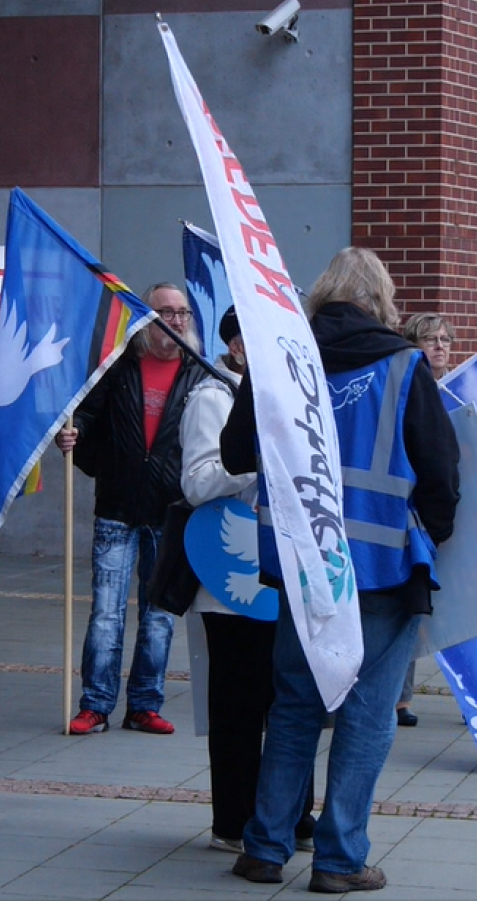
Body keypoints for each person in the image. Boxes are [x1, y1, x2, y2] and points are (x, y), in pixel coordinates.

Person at [221, 247, 459, 893]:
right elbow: (441, 474)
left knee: (296, 703)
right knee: (368, 712)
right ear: (380, 299)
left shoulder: (278, 355)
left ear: (323, 294)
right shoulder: (407, 366)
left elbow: (236, 450)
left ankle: (265, 847)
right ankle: (339, 857)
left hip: (304, 568)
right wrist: (429, 536)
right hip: (383, 566)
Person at [178, 306, 315, 854]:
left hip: (281, 570)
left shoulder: (288, 398)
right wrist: (262, 465)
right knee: (237, 705)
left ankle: (293, 816)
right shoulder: (213, 398)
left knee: (289, 698)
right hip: (231, 577)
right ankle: (233, 822)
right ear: (238, 348)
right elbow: (196, 482)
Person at [56, 283, 209, 735]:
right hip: (117, 506)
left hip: (170, 512)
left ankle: (144, 703)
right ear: (147, 319)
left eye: (183, 313)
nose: (176, 321)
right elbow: (85, 416)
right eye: (166, 312)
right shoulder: (118, 367)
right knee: (105, 613)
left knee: (159, 617)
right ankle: (96, 704)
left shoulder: (199, 375)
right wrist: (75, 437)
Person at [392, 313, 456, 728]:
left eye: (445, 339)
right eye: (429, 339)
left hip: (452, 515)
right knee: (408, 609)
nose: (439, 346)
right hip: (413, 516)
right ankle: (400, 698)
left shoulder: (458, 394)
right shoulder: (405, 390)